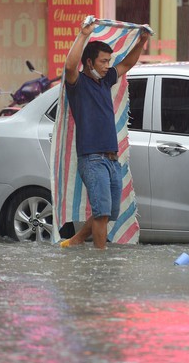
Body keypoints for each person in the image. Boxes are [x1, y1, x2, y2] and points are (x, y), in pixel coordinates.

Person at [59, 20, 150, 249]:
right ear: (89, 62)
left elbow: (127, 63)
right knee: (101, 214)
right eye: (103, 61)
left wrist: (142, 41)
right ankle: (101, 261)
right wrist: (83, 34)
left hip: (112, 159)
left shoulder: (106, 80)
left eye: (109, 61)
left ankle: (76, 240)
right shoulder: (78, 83)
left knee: (108, 213)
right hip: (92, 158)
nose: (108, 66)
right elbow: (70, 67)